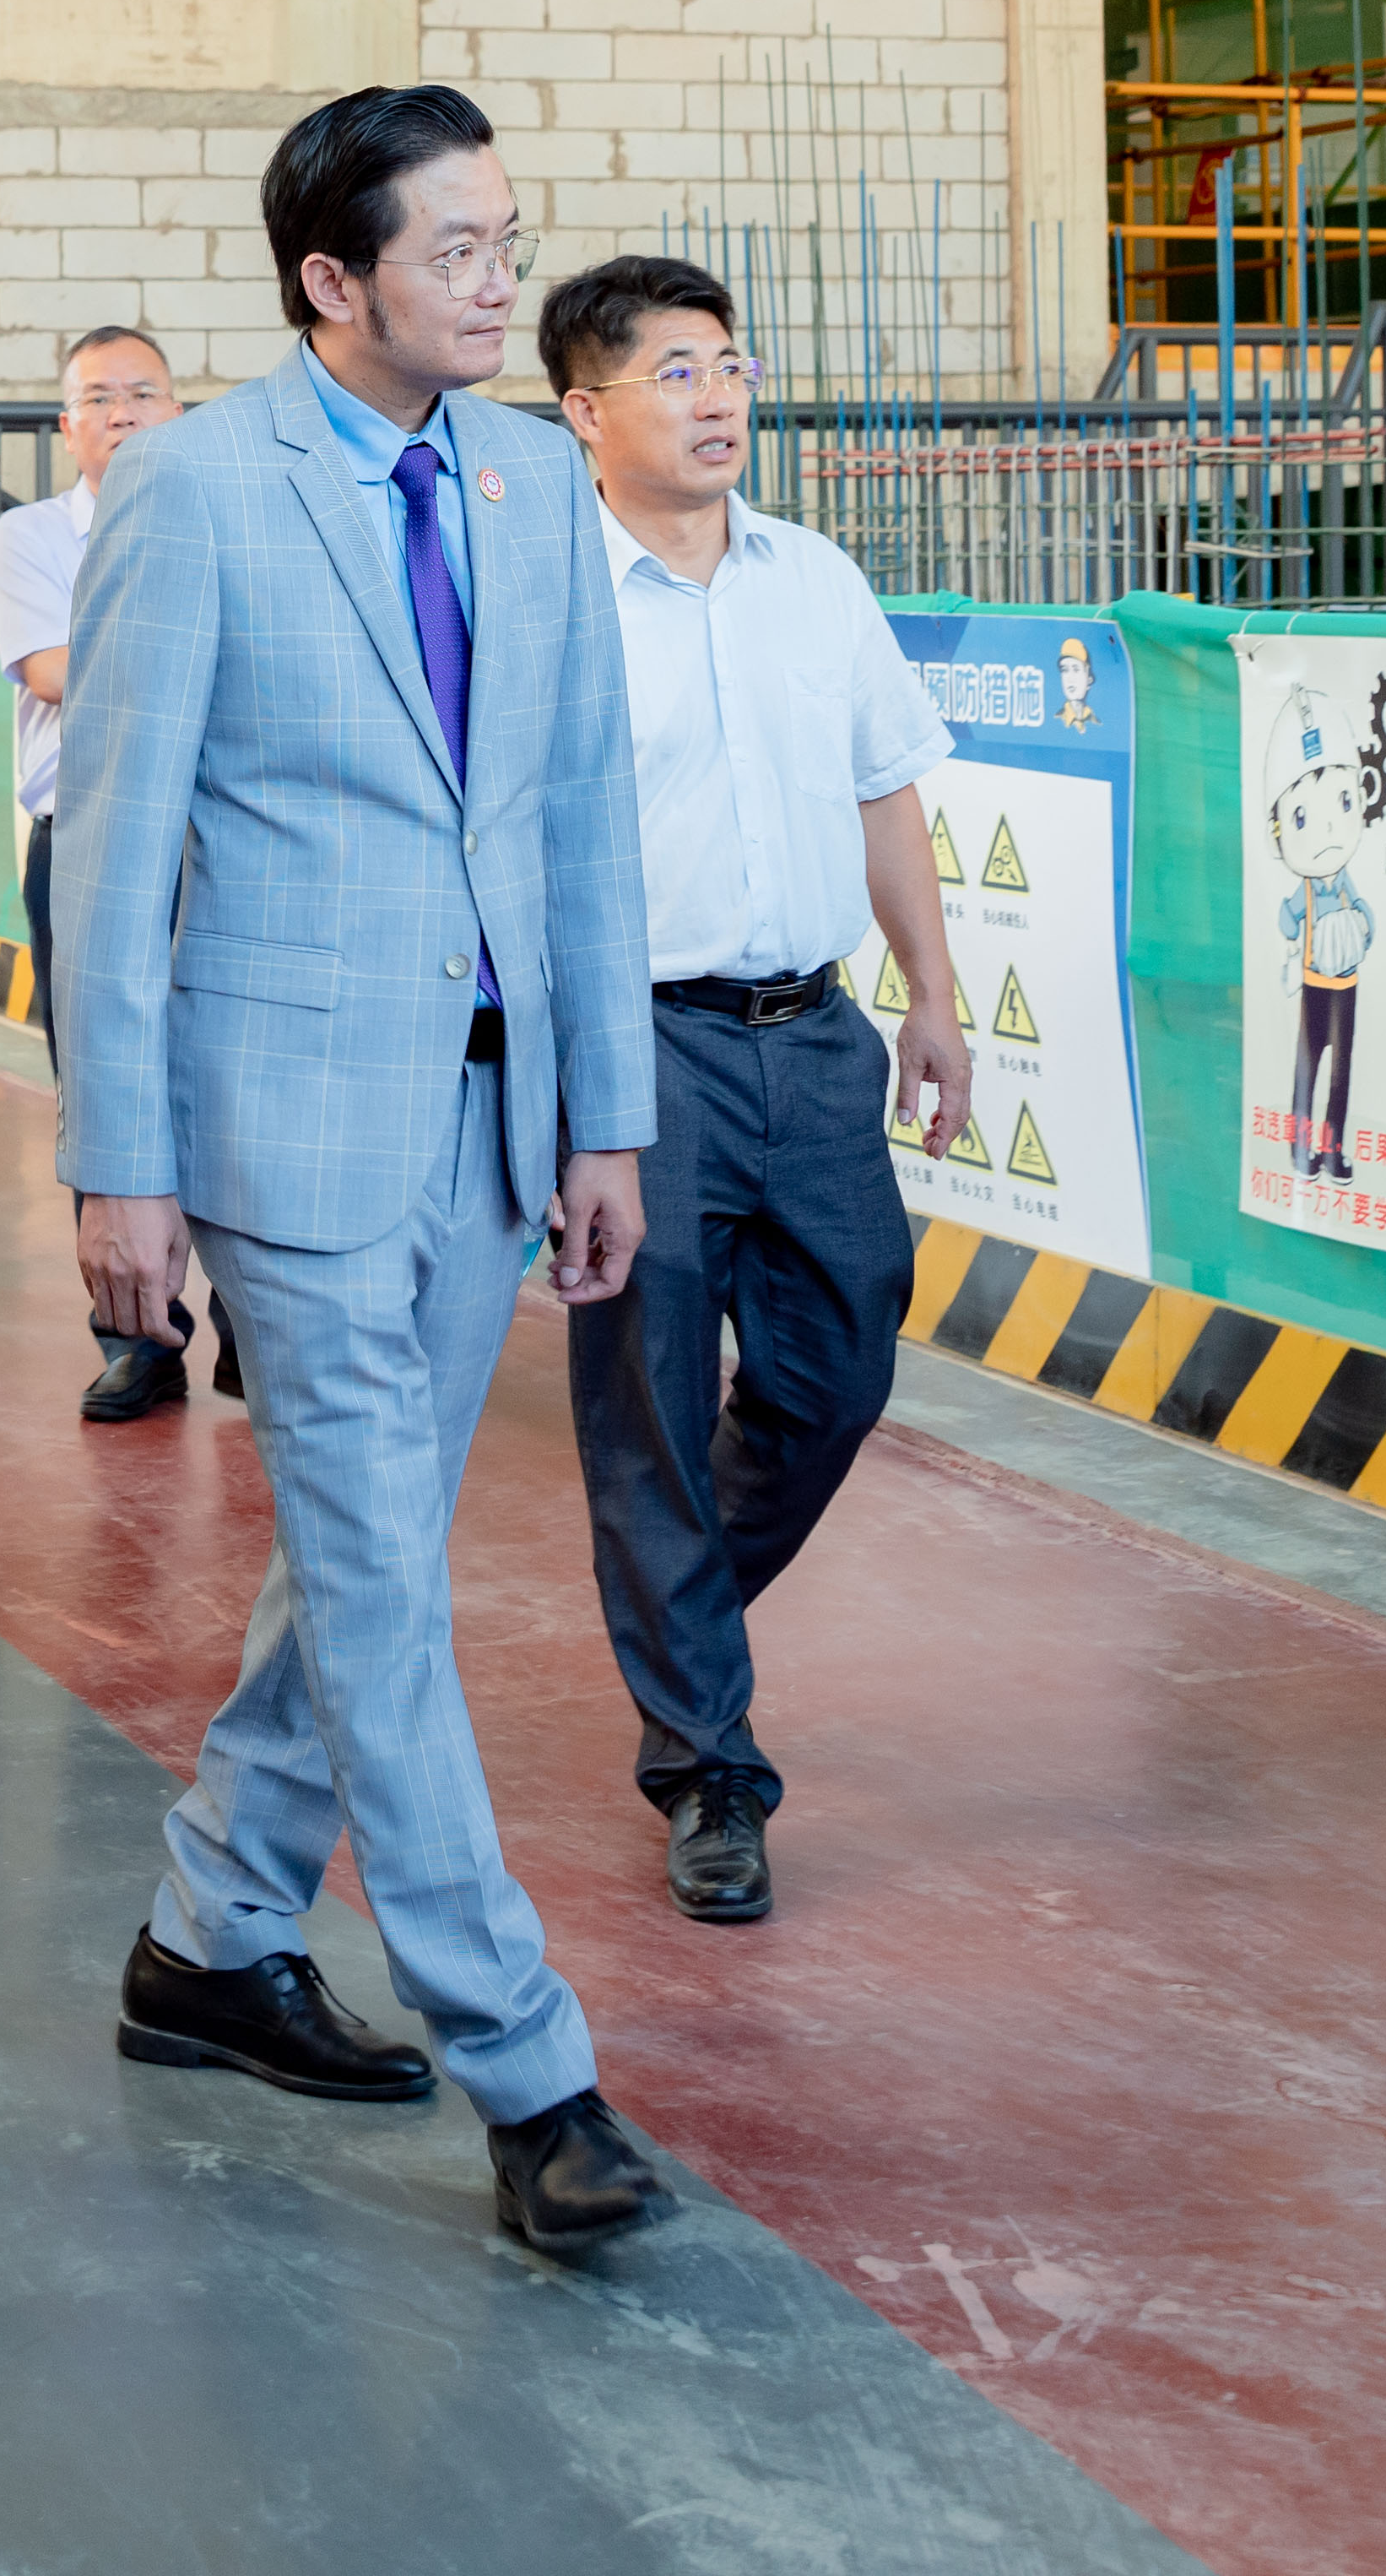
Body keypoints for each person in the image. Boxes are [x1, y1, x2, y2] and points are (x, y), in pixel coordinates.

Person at [49, 82, 669, 2259]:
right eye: (462, 250)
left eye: (514, 238)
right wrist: (115, 1164)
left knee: (360, 1541)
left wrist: (606, 1115)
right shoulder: (201, 487)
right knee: (389, 1574)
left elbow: (581, 807)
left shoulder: (524, 471)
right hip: (286, 1124)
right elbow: (107, 852)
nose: (505, 278)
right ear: (335, 276)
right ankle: (532, 2065)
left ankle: (209, 1938)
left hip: (498, 1120)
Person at [539, 257, 970, 1929]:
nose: (719, 396)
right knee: (645, 1405)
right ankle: (707, 1765)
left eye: (731, 363)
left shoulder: (815, 581)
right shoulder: (546, 604)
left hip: (815, 1035)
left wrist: (929, 995)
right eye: (673, 371)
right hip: (637, 1052)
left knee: (834, 1373)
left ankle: (672, 1618)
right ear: (586, 414)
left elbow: (885, 796)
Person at [0, 324, 187, 1417]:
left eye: (141, 393)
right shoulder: (31, 537)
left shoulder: (222, 523)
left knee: (223, 1076)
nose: (121, 412)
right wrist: (193, 661)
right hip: (91, 838)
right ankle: (136, 1337)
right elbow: (56, 672)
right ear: (67, 425)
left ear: (178, 410)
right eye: (97, 398)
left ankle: (252, 1326)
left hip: (209, 842)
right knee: (101, 1084)